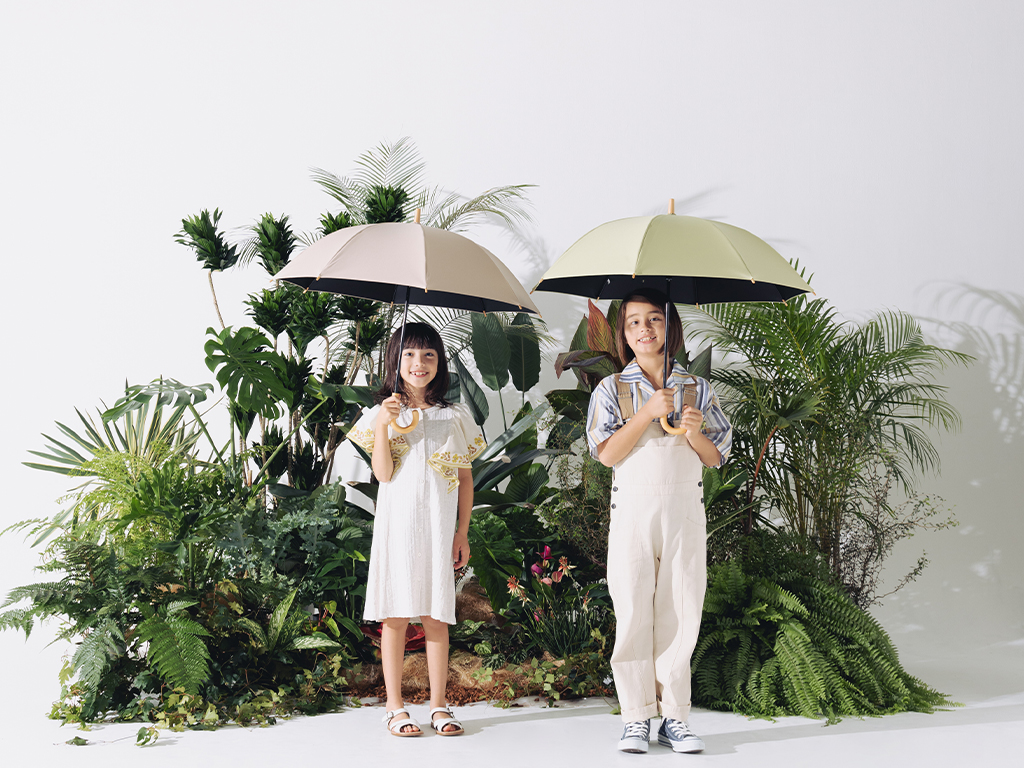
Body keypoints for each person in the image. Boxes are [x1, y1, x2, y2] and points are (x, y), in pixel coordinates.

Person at [585, 288, 732, 754]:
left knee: (681, 608)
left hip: (683, 511)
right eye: (634, 322)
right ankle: (635, 717)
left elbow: (715, 457)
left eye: (654, 319)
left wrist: (694, 431)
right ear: (624, 333)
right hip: (632, 510)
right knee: (632, 609)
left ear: (670, 327)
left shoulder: (697, 388)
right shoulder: (612, 389)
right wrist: (647, 413)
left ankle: (674, 718)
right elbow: (607, 454)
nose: (644, 329)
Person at [347, 322, 485, 737]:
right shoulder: (382, 414)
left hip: (438, 529)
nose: (418, 362)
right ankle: (395, 708)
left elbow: (464, 479)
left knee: (436, 615)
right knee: (395, 616)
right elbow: (383, 474)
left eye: (428, 354)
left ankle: (439, 706)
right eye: (408, 354)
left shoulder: (455, 415)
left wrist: (462, 532)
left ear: (439, 362)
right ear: (395, 360)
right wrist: (384, 425)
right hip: (398, 530)